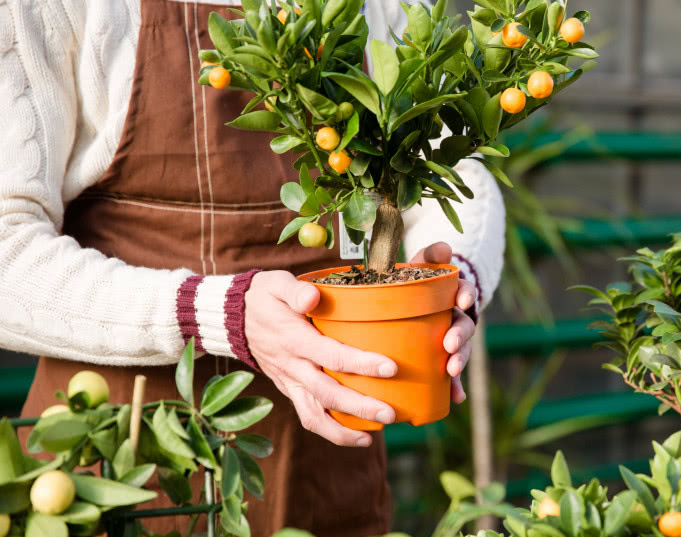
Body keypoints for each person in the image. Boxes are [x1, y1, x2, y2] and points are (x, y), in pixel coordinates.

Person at [0, 1, 505, 536]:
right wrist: (219, 313)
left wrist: (455, 280)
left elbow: (452, 162)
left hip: (326, 467)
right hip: (121, 454)